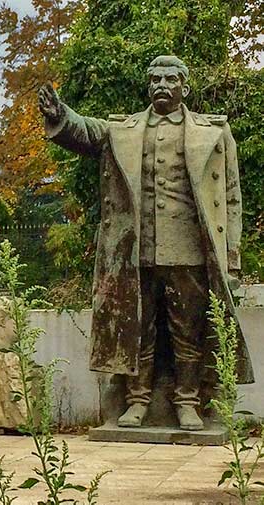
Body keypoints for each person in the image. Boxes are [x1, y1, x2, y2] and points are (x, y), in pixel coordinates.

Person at [38, 55, 253, 430]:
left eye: (171, 78)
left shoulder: (214, 132)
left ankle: (188, 402)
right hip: (137, 250)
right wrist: (61, 115)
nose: (162, 85)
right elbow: (87, 131)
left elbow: (231, 200)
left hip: (189, 250)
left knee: (189, 330)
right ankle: (137, 400)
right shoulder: (124, 129)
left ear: (185, 87)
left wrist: (231, 258)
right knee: (139, 327)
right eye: (155, 78)